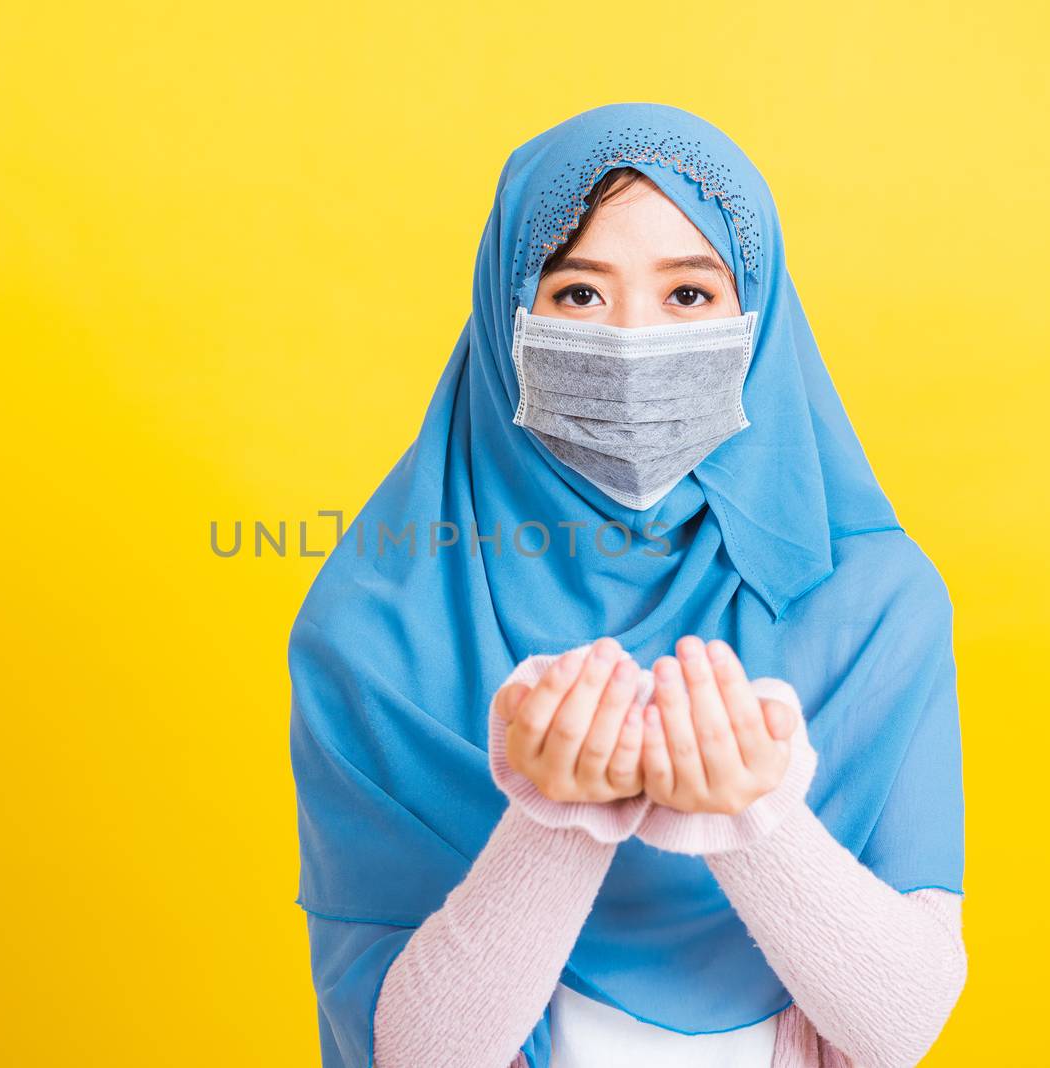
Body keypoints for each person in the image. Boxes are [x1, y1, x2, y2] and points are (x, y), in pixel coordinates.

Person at [288, 102, 968, 1068]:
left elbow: (901, 1028)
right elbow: (413, 1055)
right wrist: (555, 822)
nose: (631, 342)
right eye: (577, 295)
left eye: (688, 296)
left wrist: (755, 818)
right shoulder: (375, 627)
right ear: (505, 316)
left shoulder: (874, 601)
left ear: (759, 317)